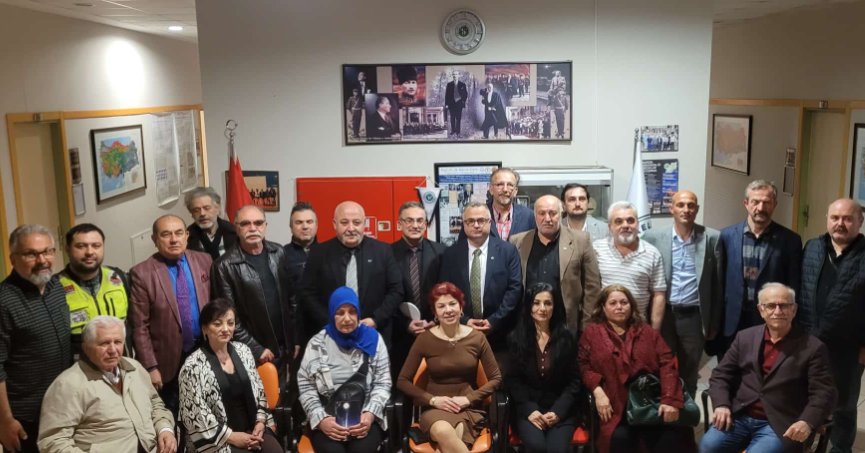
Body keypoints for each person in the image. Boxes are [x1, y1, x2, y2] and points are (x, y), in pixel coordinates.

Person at [701, 283, 837, 453]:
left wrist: (807, 422)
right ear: (761, 310)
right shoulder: (745, 337)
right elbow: (721, 375)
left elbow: (824, 392)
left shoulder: (813, 347)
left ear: (794, 309)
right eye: (771, 305)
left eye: (784, 305)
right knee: (708, 446)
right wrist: (721, 404)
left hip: (781, 423)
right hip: (740, 416)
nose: (778, 311)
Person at [37, 316, 177, 453]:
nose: (112, 350)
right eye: (104, 343)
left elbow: (156, 405)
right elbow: (52, 442)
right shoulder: (67, 385)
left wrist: (165, 429)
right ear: (86, 347)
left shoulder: (135, 368)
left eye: (117, 342)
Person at [578, 285, 690, 453]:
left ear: (631, 305)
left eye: (624, 302)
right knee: (619, 439)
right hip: (613, 405)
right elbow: (583, 366)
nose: (619, 307)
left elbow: (667, 364)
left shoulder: (647, 332)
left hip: (649, 403)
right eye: (613, 303)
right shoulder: (592, 333)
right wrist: (597, 391)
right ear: (603, 307)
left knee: (669, 438)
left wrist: (669, 400)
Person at [397, 282, 502, 452]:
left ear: (461, 307)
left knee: (447, 445)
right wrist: (433, 400)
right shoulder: (424, 339)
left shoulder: (477, 338)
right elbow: (402, 381)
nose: (448, 310)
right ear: (435, 312)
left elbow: (496, 379)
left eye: (453, 304)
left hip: (467, 408)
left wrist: (469, 399)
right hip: (435, 408)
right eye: (441, 306)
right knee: (443, 432)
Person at [797, 198, 865, 453]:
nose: (840, 223)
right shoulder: (812, 247)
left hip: (849, 347)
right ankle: (802, 444)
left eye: (847, 218)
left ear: (860, 221)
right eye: (835, 217)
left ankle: (840, 448)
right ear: (827, 219)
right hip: (808, 342)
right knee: (806, 397)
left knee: (844, 405)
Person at [130, 215, 213, 416]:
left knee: (207, 410)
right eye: (166, 234)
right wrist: (150, 366)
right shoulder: (142, 273)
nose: (174, 239)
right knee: (172, 416)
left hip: (204, 351)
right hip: (167, 362)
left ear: (187, 235)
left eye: (178, 233)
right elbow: (139, 326)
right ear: (155, 240)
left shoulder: (205, 260)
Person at [643, 190, 723, 397]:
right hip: (664, 315)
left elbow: (717, 285)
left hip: (693, 317)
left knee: (689, 373)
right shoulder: (653, 237)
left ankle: (686, 414)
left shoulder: (712, 237)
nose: (686, 209)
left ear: (697, 209)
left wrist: (713, 322)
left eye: (690, 205)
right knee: (661, 368)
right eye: (680, 205)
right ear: (672, 208)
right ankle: (663, 411)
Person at [0, 224, 71, 453]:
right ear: (13, 259)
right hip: (26, 416)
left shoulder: (56, 286)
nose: (42, 260)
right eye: (31, 254)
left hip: (64, 405)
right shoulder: (4, 301)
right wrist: (4, 420)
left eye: (47, 251)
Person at [177, 299, 281, 453]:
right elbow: (197, 417)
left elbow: (259, 392)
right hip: (218, 440)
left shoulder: (244, 351)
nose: (225, 329)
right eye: (217, 324)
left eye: (230, 323)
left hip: (253, 429)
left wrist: (260, 423)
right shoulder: (192, 367)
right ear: (205, 328)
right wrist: (232, 437)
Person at [297, 287, 391, 453]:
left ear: (358, 313)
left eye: (352, 312)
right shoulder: (317, 344)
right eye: (340, 313)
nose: (347, 318)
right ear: (332, 314)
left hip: (364, 417)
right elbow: (306, 387)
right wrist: (322, 420)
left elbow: (383, 383)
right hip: (328, 417)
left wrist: (370, 415)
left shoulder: (374, 340)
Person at [299, 201, 404, 345]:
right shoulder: (318, 253)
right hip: (331, 337)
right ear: (334, 224)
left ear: (364, 224)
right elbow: (307, 293)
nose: (351, 228)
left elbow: (396, 290)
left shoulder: (383, 251)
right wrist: (332, 322)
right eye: (344, 222)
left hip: (374, 334)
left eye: (356, 222)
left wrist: (376, 319)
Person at [212, 205, 297, 381]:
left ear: (265, 226)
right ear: (236, 228)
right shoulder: (223, 266)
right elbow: (227, 318)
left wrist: (295, 339)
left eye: (258, 223)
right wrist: (256, 349)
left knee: (286, 394)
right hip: (253, 353)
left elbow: (292, 299)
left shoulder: (278, 252)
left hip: (285, 348)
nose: (253, 228)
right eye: (245, 224)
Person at [717, 180, 801, 357]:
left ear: (775, 204)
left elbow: (793, 285)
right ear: (746, 203)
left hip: (770, 319)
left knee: (765, 367)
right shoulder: (726, 236)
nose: (761, 207)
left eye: (767, 202)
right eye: (755, 202)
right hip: (733, 319)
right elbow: (719, 281)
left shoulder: (790, 240)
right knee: (730, 367)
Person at [440, 201, 522, 369]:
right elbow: (445, 292)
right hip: (460, 334)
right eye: (470, 221)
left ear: (489, 222)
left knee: (498, 379)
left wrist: (493, 321)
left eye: (481, 220)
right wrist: (464, 320)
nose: (476, 225)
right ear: (464, 224)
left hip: (500, 334)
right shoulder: (451, 254)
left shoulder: (508, 251)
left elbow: (514, 289)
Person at [509, 195, 601, 332]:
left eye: (552, 213)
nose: (547, 219)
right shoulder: (517, 242)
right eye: (542, 213)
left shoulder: (581, 241)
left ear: (561, 213)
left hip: (566, 324)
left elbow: (592, 287)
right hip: (527, 326)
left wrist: (587, 326)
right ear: (535, 216)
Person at [507, 283, 580, 453]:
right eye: (536, 303)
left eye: (548, 303)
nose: (542, 308)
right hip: (529, 409)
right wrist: (530, 410)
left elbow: (574, 381)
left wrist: (558, 411)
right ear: (529, 306)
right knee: (536, 447)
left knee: (557, 450)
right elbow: (513, 380)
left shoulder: (567, 338)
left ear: (555, 307)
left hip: (560, 409)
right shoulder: (516, 338)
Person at [57, 223, 131, 357]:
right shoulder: (55, 287)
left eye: (96, 246)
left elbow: (135, 325)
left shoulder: (119, 278)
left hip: (120, 362)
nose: (89, 252)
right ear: (67, 249)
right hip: (80, 365)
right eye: (81, 246)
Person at [391, 201, 446, 375]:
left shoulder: (441, 252)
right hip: (399, 336)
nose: (415, 225)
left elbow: (447, 291)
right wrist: (406, 324)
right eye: (409, 220)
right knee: (402, 382)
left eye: (420, 220)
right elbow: (384, 296)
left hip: (436, 332)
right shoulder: (386, 254)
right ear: (399, 224)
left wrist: (436, 320)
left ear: (426, 224)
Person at [592, 201, 666, 329]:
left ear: (638, 224)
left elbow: (658, 294)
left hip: (638, 327)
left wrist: (655, 331)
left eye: (630, 221)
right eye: (618, 221)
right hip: (604, 328)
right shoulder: (596, 249)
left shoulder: (652, 253)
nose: (625, 225)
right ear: (610, 227)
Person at [185, 187, 238, 260]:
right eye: (196, 210)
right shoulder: (186, 237)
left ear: (217, 208)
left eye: (207, 208)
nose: (202, 213)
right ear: (192, 214)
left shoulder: (234, 232)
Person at [487, 167, 535, 241]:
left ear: (515, 191)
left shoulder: (529, 217)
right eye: (500, 184)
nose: (505, 189)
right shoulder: (478, 215)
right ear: (491, 189)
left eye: (510, 185)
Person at [284, 201, 318, 287]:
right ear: (291, 227)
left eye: (309, 222)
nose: (305, 227)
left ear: (316, 225)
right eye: (299, 222)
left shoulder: (327, 254)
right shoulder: (281, 255)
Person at [445, 69, 468, 137]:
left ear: (458, 75)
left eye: (456, 74)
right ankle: (453, 131)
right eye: (454, 74)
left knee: (458, 118)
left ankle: (458, 132)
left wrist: (463, 100)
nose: (455, 76)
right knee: (452, 118)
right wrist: (446, 104)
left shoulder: (462, 84)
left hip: (459, 104)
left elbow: (465, 94)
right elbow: (447, 95)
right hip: (451, 104)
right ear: (452, 76)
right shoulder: (449, 84)